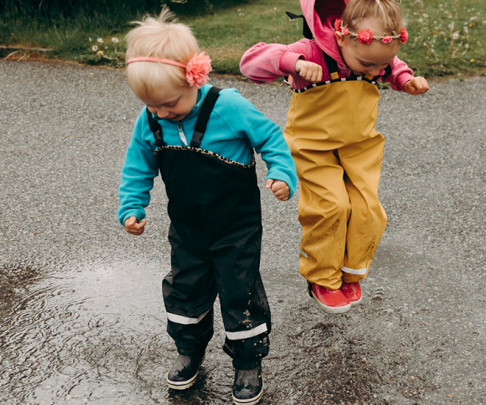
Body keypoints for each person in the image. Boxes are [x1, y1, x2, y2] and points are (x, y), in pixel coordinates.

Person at [118, 8, 297, 404]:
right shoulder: (150, 120)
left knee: (240, 293)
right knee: (184, 292)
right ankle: (189, 349)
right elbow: (138, 165)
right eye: (153, 106)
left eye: (169, 104)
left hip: (237, 229)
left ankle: (247, 361)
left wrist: (282, 174)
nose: (162, 113)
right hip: (187, 229)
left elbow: (271, 138)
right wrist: (132, 206)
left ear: (193, 78)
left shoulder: (228, 107)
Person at [240, 0, 429, 314]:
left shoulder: (375, 56)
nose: (374, 72)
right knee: (331, 207)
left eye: (379, 66)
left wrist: (404, 78)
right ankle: (322, 277)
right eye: (367, 65)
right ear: (342, 37)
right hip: (313, 148)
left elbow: (391, 64)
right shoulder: (311, 52)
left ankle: (351, 271)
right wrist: (293, 64)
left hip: (359, 148)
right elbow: (250, 63)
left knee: (369, 211)